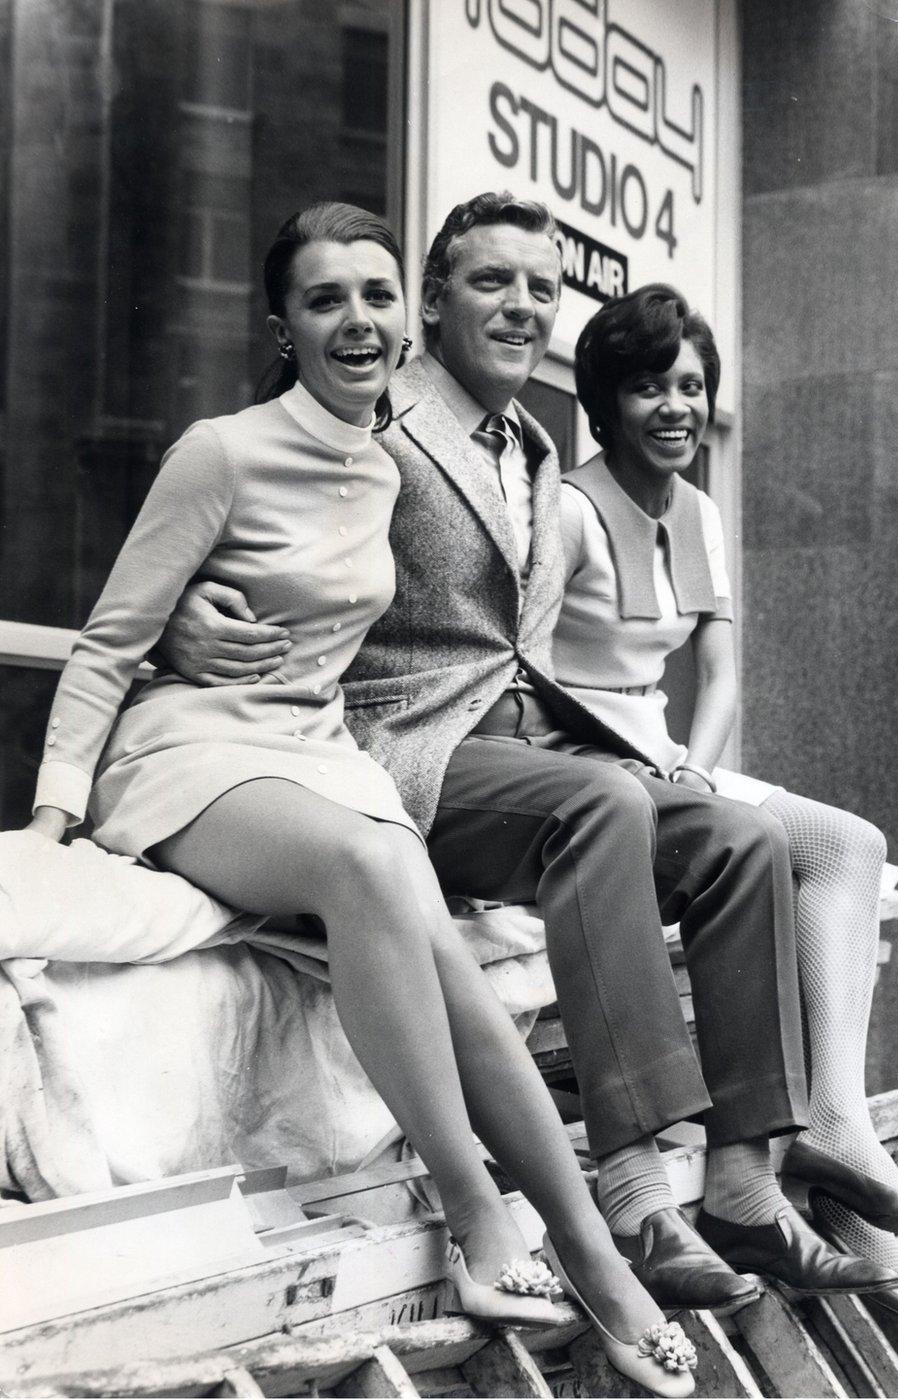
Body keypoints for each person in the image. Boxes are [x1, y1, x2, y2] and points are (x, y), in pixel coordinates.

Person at [158, 192, 898, 1314]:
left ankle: (746, 1178)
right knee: (602, 804)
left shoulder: (538, 444)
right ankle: (638, 1189)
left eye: (541, 289)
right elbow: (248, 509)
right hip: (402, 745)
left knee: (741, 837)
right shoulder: (372, 411)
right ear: (434, 303)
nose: (519, 305)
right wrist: (185, 616)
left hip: (528, 742)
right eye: (490, 281)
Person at [18, 201, 700, 1397]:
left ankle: (597, 1255)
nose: (358, 321)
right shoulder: (219, 449)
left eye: (378, 296)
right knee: (380, 865)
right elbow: (108, 644)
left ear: (408, 318)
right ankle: (482, 1215)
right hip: (189, 752)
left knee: (433, 937)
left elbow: (435, 626)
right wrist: (54, 814)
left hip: (320, 752)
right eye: (325, 299)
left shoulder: (393, 461)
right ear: (284, 323)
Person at [555, 281, 898, 1327]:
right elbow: (518, 665)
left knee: (846, 844)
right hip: (578, 756)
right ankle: (802, 1145)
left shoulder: (694, 512)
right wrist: (647, 771)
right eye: (648, 386)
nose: (676, 406)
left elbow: (720, 670)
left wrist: (694, 763)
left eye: (690, 385)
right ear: (604, 402)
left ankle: (833, 1118)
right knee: (768, 856)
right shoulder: (566, 508)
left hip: (662, 755)